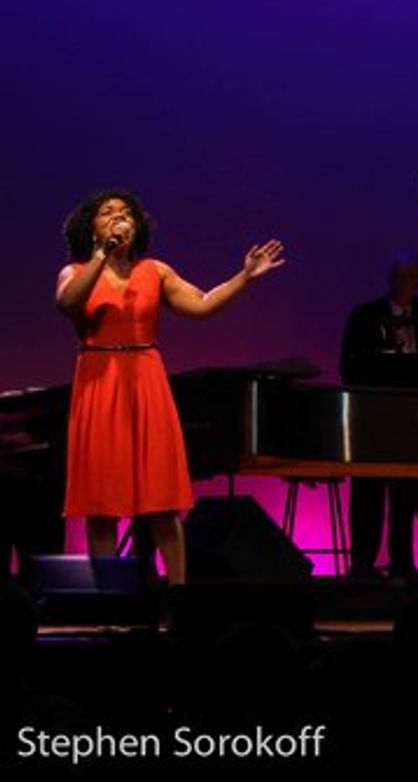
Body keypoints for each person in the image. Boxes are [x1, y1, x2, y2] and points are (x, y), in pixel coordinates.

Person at [56, 189, 284, 585]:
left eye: (124, 212)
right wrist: (101, 256)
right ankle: (111, 601)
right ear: (90, 226)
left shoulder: (155, 271)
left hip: (146, 381)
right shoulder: (75, 272)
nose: (117, 217)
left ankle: (178, 600)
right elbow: (69, 303)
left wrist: (244, 277)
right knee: (102, 505)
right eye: (107, 213)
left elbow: (202, 304)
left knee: (162, 502)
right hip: (99, 381)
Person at [341, 257, 418, 578]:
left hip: (412, 418)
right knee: (368, 492)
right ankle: (362, 564)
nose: (403, 283)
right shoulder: (366, 315)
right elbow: (349, 365)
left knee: (406, 495)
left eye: (410, 277)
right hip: (373, 417)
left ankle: (403, 563)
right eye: (398, 276)